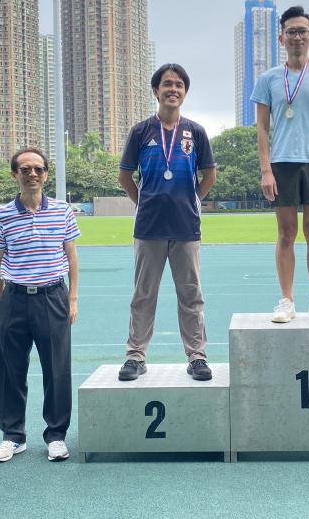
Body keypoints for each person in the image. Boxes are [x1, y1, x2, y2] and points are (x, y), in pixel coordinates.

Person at [118, 63, 217, 381]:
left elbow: (209, 174)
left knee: (190, 293)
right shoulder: (141, 131)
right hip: (148, 226)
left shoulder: (196, 132)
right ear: (156, 90)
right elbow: (125, 175)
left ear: (185, 93)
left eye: (179, 85)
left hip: (186, 226)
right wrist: (142, 201)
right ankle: (135, 356)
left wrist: (194, 200)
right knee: (144, 293)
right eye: (167, 84)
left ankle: (197, 356)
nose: (173, 89)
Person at [0, 147, 80, 462]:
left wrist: (72, 298)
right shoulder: (1, 215)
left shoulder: (62, 211)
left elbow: (71, 257)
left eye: (38, 169)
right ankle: (13, 436)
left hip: (52, 297)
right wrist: (3, 302)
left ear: (46, 175)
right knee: (10, 370)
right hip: (14, 299)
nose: (32, 175)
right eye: (25, 169)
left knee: (57, 369)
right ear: (15, 174)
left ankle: (56, 435)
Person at [252, 5, 309, 323]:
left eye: (302, 31)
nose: (297, 37)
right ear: (281, 38)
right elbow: (262, 127)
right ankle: (286, 300)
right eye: (291, 31)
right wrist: (266, 170)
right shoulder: (269, 79)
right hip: (283, 163)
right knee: (286, 233)